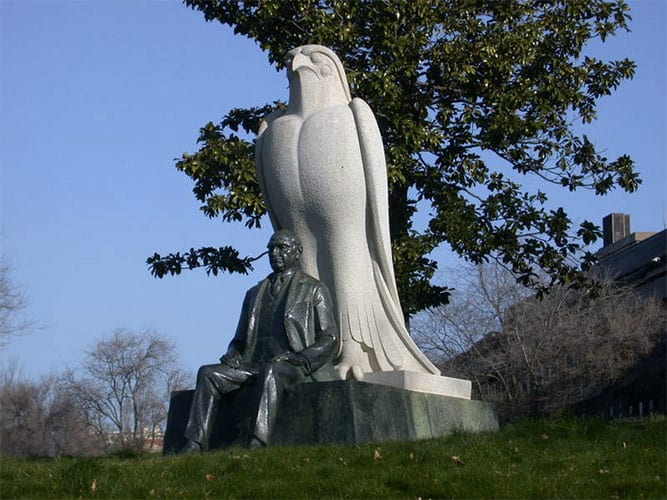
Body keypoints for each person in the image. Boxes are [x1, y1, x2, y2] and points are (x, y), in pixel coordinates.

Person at [179, 230, 339, 453]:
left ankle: (257, 442)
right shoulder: (254, 293)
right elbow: (238, 340)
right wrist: (233, 352)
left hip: (293, 366)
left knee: (272, 372)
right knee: (208, 373)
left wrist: (300, 357)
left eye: (282, 247)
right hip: (253, 365)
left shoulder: (314, 289)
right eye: (271, 248)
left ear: (297, 252)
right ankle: (194, 443)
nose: (275, 253)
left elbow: (330, 338)